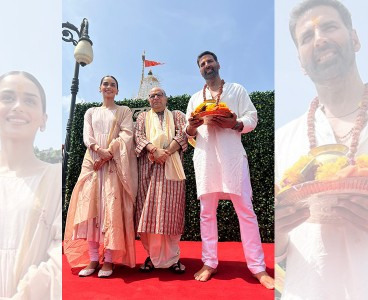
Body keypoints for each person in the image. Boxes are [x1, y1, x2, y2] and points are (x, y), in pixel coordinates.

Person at [275, 0, 368, 299]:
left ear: (354, 39)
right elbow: (279, 252)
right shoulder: (284, 139)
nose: (320, 39)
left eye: (329, 27)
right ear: (301, 63)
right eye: (306, 37)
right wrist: (277, 229)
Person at [0, 71, 61, 299]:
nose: (18, 106)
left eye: (29, 100)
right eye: (8, 98)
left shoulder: (57, 178)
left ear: (44, 119)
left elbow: (61, 255)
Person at [185, 51, 274, 288]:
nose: (207, 66)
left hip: (232, 157)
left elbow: (252, 118)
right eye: (202, 64)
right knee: (206, 213)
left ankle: (258, 267)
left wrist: (234, 123)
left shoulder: (236, 90)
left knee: (246, 210)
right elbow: (189, 131)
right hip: (205, 159)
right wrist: (192, 126)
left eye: (210, 61)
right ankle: (209, 262)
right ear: (200, 70)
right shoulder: (195, 98)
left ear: (218, 64)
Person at [64, 75, 138, 278]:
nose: (109, 87)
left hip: (114, 164)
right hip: (92, 163)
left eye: (113, 84)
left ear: (117, 90)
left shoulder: (124, 111)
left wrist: (108, 154)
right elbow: (87, 135)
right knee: (91, 211)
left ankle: (110, 260)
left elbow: (126, 135)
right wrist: (98, 150)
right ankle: (94, 258)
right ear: (99, 88)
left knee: (111, 209)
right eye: (105, 84)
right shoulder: (90, 112)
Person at [134, 87, 187, 274]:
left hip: (172, 169)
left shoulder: (178, 116)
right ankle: (152, 256)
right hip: (148, 169)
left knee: (171, 213)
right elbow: (138, 137)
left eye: (159, 95)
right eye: (152, 96)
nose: (156, 98)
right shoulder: (142, 118)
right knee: (148, 213)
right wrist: (154, 151)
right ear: (148, 100)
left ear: (166, 98)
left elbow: (183, 134)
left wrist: (167, 152)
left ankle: (173, 258)